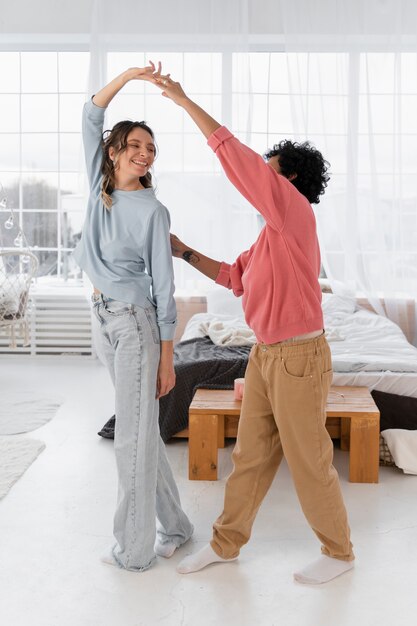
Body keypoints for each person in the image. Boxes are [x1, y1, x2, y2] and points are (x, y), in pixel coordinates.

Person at [151, 71, 355, 584]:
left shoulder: (295, 212)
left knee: (308, 458)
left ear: (286, 184)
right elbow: (230, 276)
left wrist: (184, 100)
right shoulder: (268, 238)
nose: (261, 180)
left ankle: (339, 554)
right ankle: (226, 544)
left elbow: (235, 159)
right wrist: (182, 250)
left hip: (299, 356)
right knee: (249, 456)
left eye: (270, 174)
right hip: (265, 355)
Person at [73, 62, 193, 572]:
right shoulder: (99, 183)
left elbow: (165, 292)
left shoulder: (152, 211)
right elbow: (89, 114)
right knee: (141, 434)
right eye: (136, 146)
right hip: (101, 317)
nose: (145, 156)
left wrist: (168, 360)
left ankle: (135, 551)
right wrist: (128, 76)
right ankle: (178, 528)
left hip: (136, 326)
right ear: (115, 150)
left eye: (151, 150)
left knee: (131, 439)